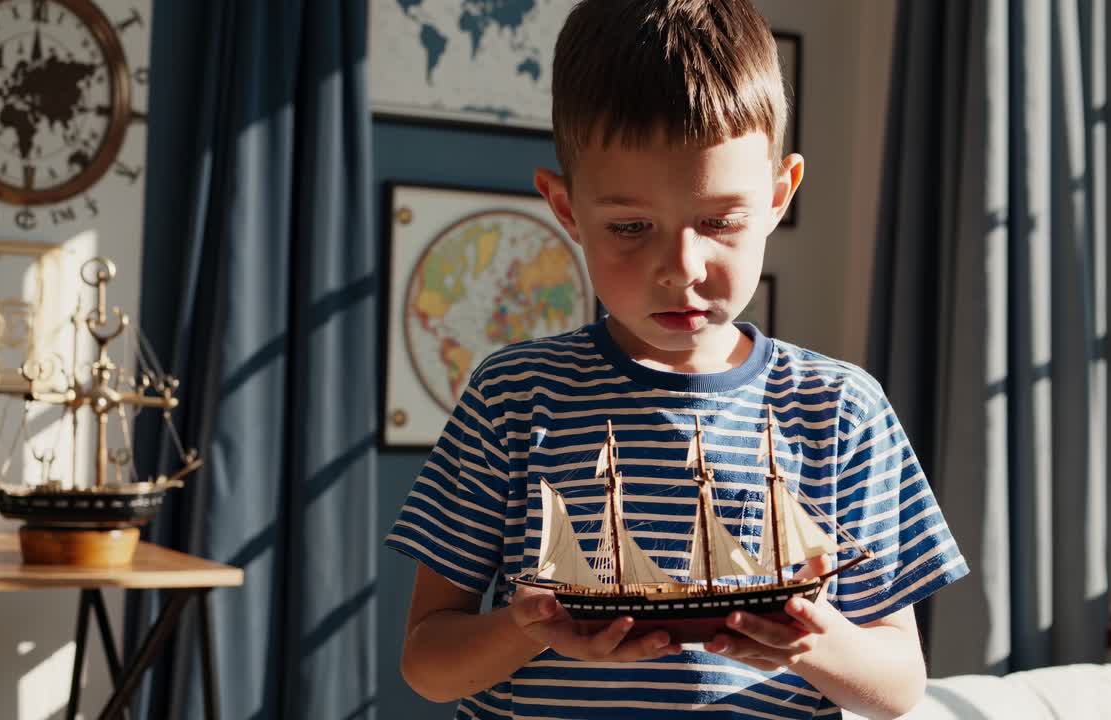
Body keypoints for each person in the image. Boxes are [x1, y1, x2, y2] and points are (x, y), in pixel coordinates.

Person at [385, 1, 968, 718]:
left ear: (779, 194)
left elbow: (899, 689)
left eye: (720, 221)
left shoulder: (840, 410)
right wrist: (527, 631)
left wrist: (814, 643)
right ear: (565, 209)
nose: (680, 268)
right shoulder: (514, 398)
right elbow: (427, 664)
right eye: (631, 227)